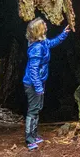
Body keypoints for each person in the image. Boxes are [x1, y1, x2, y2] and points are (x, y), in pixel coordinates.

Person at [22, 18, 71, 150]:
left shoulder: (42, 43)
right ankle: (30, 139)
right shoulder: (36, 48)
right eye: (43, 25)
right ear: (39, 30)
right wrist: (38, 86)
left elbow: (52, 43)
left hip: (38, 82)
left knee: (37, 108)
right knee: (33, 110)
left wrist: (64, 33)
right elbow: (33, 70)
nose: (46, 26)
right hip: (32, 84)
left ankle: (34, 134)